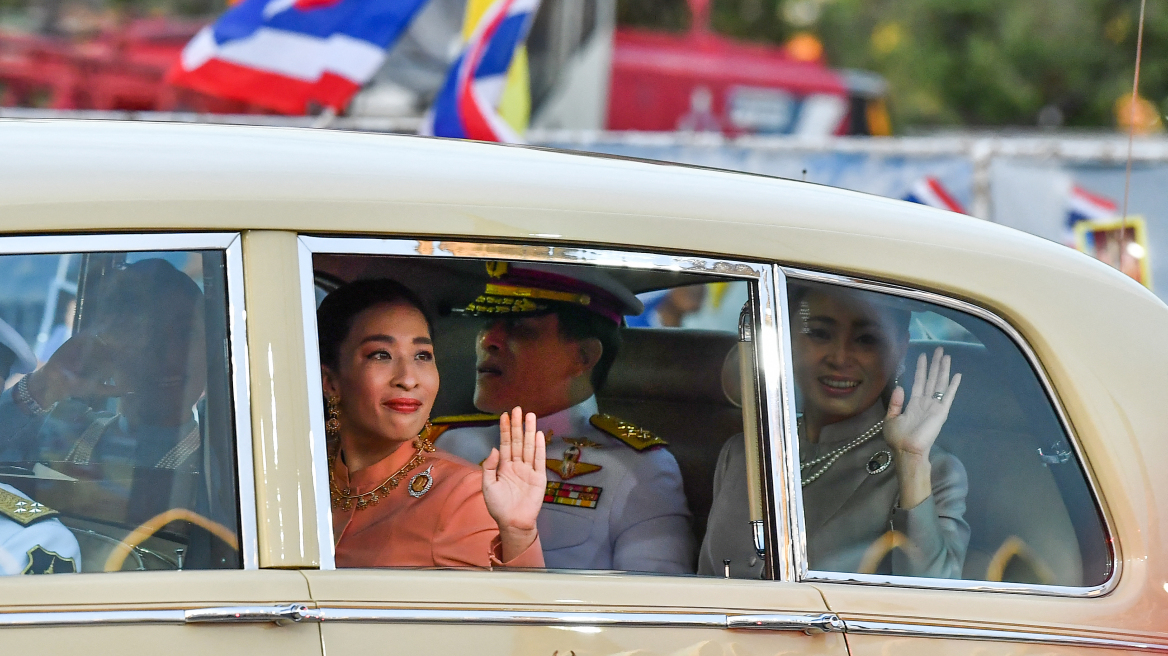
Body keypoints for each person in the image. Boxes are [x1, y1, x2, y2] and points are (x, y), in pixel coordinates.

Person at [434, 262, 695, 573]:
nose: (488, 340)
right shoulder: (448, 443)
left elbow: (654, 609)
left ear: (583, 358)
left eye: (520, 328)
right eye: (487, 323)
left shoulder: (639, 471)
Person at [699, 282, 969, 579]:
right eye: (819, 334)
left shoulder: (934, 473)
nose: (840, 357)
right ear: (787, 341)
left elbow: (931, 603)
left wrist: (911, 460)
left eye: (867, 340)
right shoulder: (744, 452)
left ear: (899, 351)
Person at [318, 278, 546, 568]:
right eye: (381, 355)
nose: (409, 379)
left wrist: (518, 534)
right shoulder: (295, 477)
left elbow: (512, 609)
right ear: (331, 382)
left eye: (422, 356)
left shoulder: (462, 495)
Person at [0, 258, 207, 472]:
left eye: (186, 334)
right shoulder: (59, 431)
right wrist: (42, 386)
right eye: (144, 333)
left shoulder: (229, 457)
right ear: (105, 346)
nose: (169, 355)